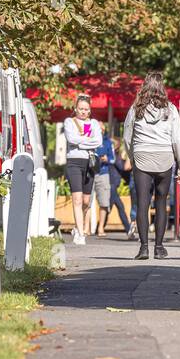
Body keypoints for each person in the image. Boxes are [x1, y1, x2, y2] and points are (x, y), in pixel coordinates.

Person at [123, 72, 180, 260]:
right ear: (162, 88)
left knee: (142, 204)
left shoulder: (135, 109)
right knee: (161, 202)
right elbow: (177, 138)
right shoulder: (171, 109)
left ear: (144, 86)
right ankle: (159, 247)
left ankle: (143, 248)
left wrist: (132, 156)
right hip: (165, 158)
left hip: (142, 156)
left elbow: (127, 136)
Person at [62, 94, 103, 246]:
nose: (83, 112)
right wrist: (88, 142)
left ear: (90, 110)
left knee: (86, 201)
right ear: (75, 109)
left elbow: (98, 142)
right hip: (74, 162)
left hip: (90, 162)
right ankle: (80, 233)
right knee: (77, 199)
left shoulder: (94, 123)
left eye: (86, 109)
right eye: (80, 109)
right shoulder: (69, 122)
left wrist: (81, 143)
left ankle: (77, 225)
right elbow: (71, 139)